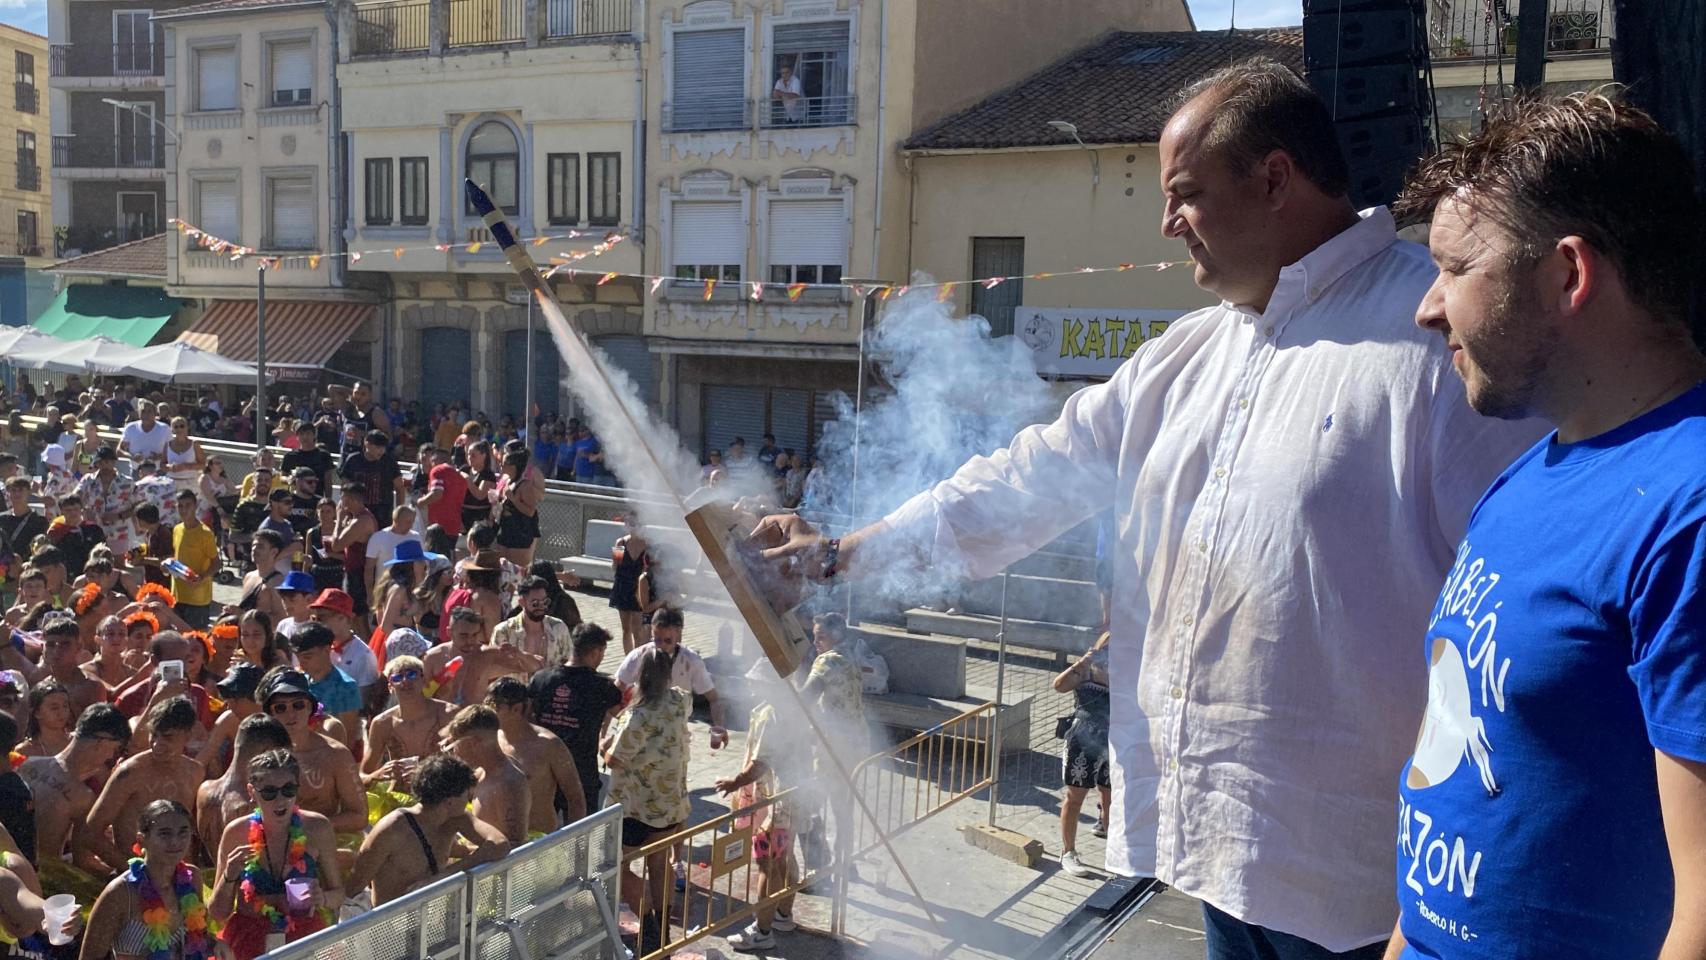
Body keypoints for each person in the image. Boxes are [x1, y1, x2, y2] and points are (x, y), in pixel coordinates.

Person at [750, 59, 1545, 959]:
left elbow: (1512, 639)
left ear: (1275, 179)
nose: (1166, 223)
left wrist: (1453, 904)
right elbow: (1026, 478)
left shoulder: (1433, 338)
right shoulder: (1183, 358)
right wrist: (843, 552)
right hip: (1211, 859)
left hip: (1369, 893)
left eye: (1186, 194)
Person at [1371, 92, 1706, 960]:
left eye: (1455, 268)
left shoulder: (1690, 510)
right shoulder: (1530, 473)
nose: (1428, 308)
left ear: (1568, 275)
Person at [209, 749, 344, 960]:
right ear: (252, 792)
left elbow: (339, 894)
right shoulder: (237, 832)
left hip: (304, 939)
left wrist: (323, 898)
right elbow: (217, 913)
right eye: (270, 792)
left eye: (288, 789)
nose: (280, 799)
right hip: (248, 940)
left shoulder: (317, 828)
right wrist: (229, 877)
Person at [603, 647, 689, 954]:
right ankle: (663, 929)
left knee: (617, 865)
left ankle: (650, 926)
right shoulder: (680, 701)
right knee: (660, 862)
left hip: (635, 807)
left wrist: (604, 745)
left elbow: (615, 760)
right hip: (670, 803)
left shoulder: (638, 716)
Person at [345, 754, 510, 906]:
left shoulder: (456, 818)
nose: (469, 798)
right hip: (391, 927)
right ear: (450, 801)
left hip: (434, 925)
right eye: (466, 794)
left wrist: (442, 877)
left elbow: (500, 843)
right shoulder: (392, 829)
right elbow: (353, 888)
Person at [717, 664, 803, 952]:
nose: (751, 686)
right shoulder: (795, 707)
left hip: (775, 799)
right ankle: (782, 915)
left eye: (757, 682)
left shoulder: (769, 714)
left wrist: (734, 782)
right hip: (795, 794)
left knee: (768, 862)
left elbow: (761, 762)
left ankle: (762, 931)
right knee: (785, 855)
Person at [79, 799, 212, 960]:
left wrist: (216, 944)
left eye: (183, 832)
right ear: (142, 840)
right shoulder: (120, 893)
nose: (175, 842)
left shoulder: (192, 877)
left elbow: (200, 937)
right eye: (165, 834)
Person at [84, 696, 205, 871]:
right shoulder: (130, 773)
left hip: (179, 878)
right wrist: (134, 872)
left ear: (188, 735)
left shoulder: (195, 772)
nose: (157, 745)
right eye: (154, 735)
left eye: (168, 738)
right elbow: (90, 833)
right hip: (136, 875)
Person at [18, 702, 131, 874]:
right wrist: (122, 873)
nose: (110, 756)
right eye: (114, 750)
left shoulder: (28, 764)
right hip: (42, 877)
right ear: (101, 743)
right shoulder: (82, 796)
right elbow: (83, 861)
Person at [256, 669, 367, 835]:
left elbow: (359, 816)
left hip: (323, 845)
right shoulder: (259, 754)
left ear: (309, 707)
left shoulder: (335, 754)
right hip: (273, 845)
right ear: (271, 714)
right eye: (280, 708)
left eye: (298, 705)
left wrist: (306, 828)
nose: (291, 713)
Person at [613, 607, 727, 750]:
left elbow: (714, 699)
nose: (662, 646)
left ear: (678, 633)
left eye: (668, 640)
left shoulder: (691, 661)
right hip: (641, 727)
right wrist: (616, 724)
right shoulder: (640, 655)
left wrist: (719, 726)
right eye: (657, 640)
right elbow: (614, 690)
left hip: (675, 730)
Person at [485, 677, 586, 832]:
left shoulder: (549, 745)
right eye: (486, 704)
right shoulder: (491, 738)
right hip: (498, 840)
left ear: (517, 709)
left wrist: (575, 841)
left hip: (537, 840)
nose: (487, 711)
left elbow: (575, 798)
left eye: (493, 706)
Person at [1052, 632, 1112, 878]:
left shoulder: (1130, 672)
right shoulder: (1086, 670)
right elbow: (1059, 686)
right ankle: (1068, 852)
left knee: (1111, 800)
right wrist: (1084, 661)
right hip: (1083, 740)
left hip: (1114, 741)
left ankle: (1114, 855)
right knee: (1075, 797)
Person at [196, 713, 292, 859]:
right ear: (266, 752)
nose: (283, 765)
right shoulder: (257, 799)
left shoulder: (205, 790)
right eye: (280, 758)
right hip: (251, 880)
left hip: (221, 878)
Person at [361, 655, 453, 792]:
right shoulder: (382, 723)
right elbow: (362, 776)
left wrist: (429, 771)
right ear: (390, 687)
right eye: (397, 678)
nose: (405, 681)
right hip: (401, 797)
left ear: (424, 680)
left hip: (443, 794)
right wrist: (377, 775)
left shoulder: (448, 714)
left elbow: (470, 764)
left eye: (411, 674)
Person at [442, 704, 530, 843]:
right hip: (486, 861)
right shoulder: (481, 773)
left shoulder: (508, 784)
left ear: (474, 743)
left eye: (454, 744)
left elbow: (515, 847)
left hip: (502, 864)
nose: (454, 751)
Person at [423, 607, 533, 707]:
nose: (470, 641)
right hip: (442, 721)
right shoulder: (433, 658)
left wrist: (520, 654)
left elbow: (534, 666)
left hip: (475, 721)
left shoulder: (487, 655)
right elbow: (423, 695)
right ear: (449, 632)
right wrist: (439, 686)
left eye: (475, 634)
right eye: (464, 635)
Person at [288, 622, 363, 748]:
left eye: (307, 656)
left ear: (327, 650)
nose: (301, 663)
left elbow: (348, 739)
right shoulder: (299, 683)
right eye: (298, 657)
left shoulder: (345, 687)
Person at [308, 589, 382, 716]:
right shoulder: (318, 650)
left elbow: (363, 702)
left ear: (342, 618)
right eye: (314, 618)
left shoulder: (363, 655)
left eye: (321, 618)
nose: (316, 623)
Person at [491, 576, 572, 672]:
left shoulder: (559, 628)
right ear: (522, 602)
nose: (542, 607)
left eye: (545, 602)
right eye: (535, 603)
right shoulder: (503, 631)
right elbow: (492, 668)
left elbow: (570, 663)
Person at [170, 490, 217, 629]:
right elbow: (178, 556)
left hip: (198, 598)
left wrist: (201, 577)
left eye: (188, 505)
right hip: (177, 594)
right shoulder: (177, 529)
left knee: (196, 639)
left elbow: (217, 563)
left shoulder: (205, 533)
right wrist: (168, 565)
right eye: (180, 506)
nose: (184, 509)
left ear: (196, 506)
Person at [75, 448, 135, 556]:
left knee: (118, 564)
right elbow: (74, 498)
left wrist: (119, 516)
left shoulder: (127, 482)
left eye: (106, 462)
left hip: (118, 531)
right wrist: (85, 509)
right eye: (100, 463)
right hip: (93, 529)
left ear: (113, 462)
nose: (104, 466)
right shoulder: (88, 480)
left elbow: (137, 506)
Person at [340, 430, 405, 528]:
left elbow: (400, 488)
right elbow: (345, 488)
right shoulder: (353, 460)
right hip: (356, 514)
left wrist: (399, 513)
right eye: (378, 447)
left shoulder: (389, 462)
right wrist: (345, 512)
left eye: (384, 447)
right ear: (367, 444)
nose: (381, 451)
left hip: (383, 516)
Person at [0, 477, 46, 608]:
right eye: (13, 490)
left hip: (28, 573)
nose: (17, 494)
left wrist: (25, 564)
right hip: (3, 575)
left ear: (28, 492)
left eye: (21, 490)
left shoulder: (39, 521)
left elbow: (42, 548)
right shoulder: (2, 519)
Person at [362, 502, 418, 610]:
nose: (410, 525)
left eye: (412, 522)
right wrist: (369, 593)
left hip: (409, 593)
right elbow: (369, 568)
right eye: (407, 522)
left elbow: (420, 565)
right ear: (396, 520)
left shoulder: (415, 537)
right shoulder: (378, 538)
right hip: (384, 592)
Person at [609, 516, 649, 654]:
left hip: (638, 588)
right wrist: (615, 556)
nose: (633, 527)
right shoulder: (620, 542)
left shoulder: (647, 544)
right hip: (622, 587)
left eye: (636, 523)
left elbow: (647, 570)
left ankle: (637, 660)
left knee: (637, 630)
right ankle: (628, 660)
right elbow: (615, 566)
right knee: (626, 629)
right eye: (630, 523)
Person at [417, 444, 469, 542]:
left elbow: (437, 493)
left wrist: (420, 502)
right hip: (453, 527)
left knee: (435, 556)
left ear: (435, 460)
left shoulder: (437, 470)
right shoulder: (461, 478)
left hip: (438, 526)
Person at [15, 678, 71, 759]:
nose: (61, 712)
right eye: (54, 708)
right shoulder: (24, 751)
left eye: (65, 706)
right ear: (37, 712)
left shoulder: (78, 742)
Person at [280, 423, 336, 493]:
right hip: (295, 498)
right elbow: (282, 477)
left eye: (308, 433)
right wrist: (288, 479)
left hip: (317, 497)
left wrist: (328, 499)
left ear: (314, 436)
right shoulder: (290, 456)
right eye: (301, 434)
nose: (305, 437)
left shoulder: (324, 455)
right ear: (297, 436)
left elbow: (328, 481)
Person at [116, 401, 169, 466]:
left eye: (149, 411)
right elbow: (119, 451)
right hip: (136, 470)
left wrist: (159, 456)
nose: (146, 414)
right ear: (139, 413)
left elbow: (172, 451)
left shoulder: (164, 428)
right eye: (143, 411)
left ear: (155, 413)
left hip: (158, 470)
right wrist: (132, 457)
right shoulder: (131, 428)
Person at [162, 417, 206, 491]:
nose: (179, 429)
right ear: (172, 429)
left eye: (182, 426)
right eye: (176, 427)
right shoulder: (167, 445)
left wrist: (187, 466)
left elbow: (203, 464)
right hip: (171, 483)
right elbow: (162, 464)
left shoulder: (194, 445)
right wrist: (171, 467)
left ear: (187, 427)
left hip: (191, 484)